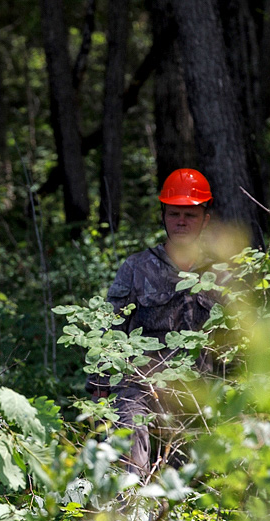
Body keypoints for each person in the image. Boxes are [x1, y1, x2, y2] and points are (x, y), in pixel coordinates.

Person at [87, 169, 219, 477]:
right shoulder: (137, 268)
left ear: (205, 219)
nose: (181, 222)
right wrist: (99, 393)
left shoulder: (222, 274)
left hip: (202, 396)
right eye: (174, 214)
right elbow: (109, 332)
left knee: (196, 483)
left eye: (190, 215)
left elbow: (242, 341)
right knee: (127, 448)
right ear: (163, 216)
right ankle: (129, 516)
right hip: (142, 390)